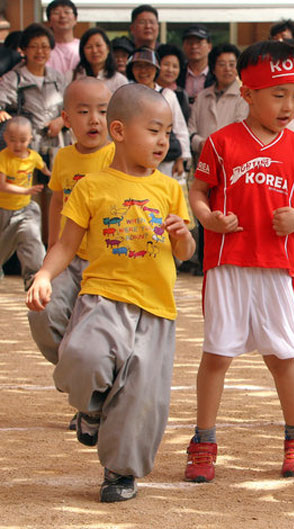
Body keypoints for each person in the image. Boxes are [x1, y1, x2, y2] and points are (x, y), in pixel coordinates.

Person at [25, 83, 195, 503]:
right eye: (153, 130)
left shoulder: (170, 189)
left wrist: (182, 236)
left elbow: (186, 252)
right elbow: (66, 244)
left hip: (156, 309)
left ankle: (120, 472)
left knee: (141, 397)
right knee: (81, 357)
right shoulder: (91, 187)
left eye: (166, 132)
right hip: (102, 298)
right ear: (119, 131)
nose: (163, 141)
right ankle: (90, 407)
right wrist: (44, 274)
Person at [184, 40, 294, 483]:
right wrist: (209, 218)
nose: (288, 105)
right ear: (247, 94)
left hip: (275, 268)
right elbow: (197, 192)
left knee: (282, 356)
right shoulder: (220, 142)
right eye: (278, 94)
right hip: (227, 264)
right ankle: (203, 441)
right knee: (217, 355)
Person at [27, 78, 114, 369]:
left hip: (106, 263)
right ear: (66, 119)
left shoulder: (119, 155)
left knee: (94, 330)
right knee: (42, 312)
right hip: (68, 256)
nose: (94, 119)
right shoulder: (63, 157)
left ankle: (85, 376)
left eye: (103, 111)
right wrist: (52, 245)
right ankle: (72, 369)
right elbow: (56, 199)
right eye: (84, 111)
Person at [0, 23, 69, 160]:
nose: (40, 52)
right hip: (24, 153)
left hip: (56, 149)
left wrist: (62, 120)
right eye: (34, 46)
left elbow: (72, 108)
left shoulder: (58, 78)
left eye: (44, 47)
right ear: (24, 50)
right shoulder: (13, 79)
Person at [0, 117, 50, 288]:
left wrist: (52, 174)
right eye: (12, 140)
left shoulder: (33, 156)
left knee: (31, 236)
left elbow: (43, 167)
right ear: (5, 138)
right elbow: (2, 185)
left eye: (22, 140)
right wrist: (25, 191)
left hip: (25, 208)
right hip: (4, 210)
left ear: (30, 139)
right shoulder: (3, 158)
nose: (18, 145)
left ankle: (34, 277)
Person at [126, 47, 190, 179]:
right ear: (132, 69)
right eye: (138, 66)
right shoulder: (125, 95)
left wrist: (180, 159)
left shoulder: (168, 95)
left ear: (156, 69)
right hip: (133, 160)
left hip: (165, 162)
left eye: (148, 66)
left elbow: (180, 129)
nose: (143, 71)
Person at [188, 43, 247, 157]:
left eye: (232, 64)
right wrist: (200, 143)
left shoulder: (244, 96)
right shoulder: (202, 96)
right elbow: (191, 129)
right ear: (213, 69)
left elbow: (242, 130)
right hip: (203, 159)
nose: (227, 69)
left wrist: (218, 146)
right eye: (222, 64)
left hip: (232, 158)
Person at [73, 28, 128, 93]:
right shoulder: (73, 76)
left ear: (108, 48)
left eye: (98, 45)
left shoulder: (119, 81)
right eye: (89, 47)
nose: (94, 51)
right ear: (83, 51)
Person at [157, 44, 191, 123]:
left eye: (175, 66)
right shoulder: (149, 89)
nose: (170, 70)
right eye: (166, 65)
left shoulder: (181, 94)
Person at [180, 24, 214, 104]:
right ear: (183, 46)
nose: (194, 46)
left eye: (199, 43)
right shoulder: (177, 74)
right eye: (190, 43)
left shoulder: (216, 75)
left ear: (209, 47)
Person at [45, 0, 80, 75]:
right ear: (49, 21)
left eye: (67, 12)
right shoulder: (44, 49)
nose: (62, 16)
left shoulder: (83, 47)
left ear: (75, 19)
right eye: (56, 13)